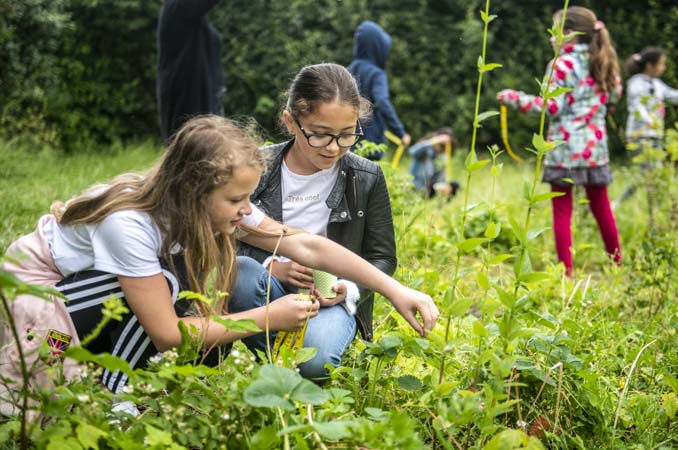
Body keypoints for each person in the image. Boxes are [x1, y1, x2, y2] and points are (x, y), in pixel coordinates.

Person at [1, 116, 438, 400]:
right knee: (47, 381)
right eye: (237, 199)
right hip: (39, 302)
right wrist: (266, 316)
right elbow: (169, 335)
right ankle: (102, 389)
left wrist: (396, 289)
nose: (248, 210)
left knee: (171, 285)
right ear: (194, 191)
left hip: (90, 296)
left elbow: (307, 245)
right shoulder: (129, 225)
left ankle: (113, 386)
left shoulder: (203, 207)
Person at [236, 63, 397, 379]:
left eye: (347, 135)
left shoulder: (366, 177)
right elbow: (224, 235)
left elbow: (382, 256)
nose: (334, 147)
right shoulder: (255, 167)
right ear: (290, 122)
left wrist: (347, 288)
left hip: (328, 302)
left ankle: (298, 356)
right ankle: (281, 357)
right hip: (265, 288)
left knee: (313, 361)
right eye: (321, 135)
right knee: (241, 273)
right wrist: (272, 266)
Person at [497, 6, 622, 277]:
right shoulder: (604, 59)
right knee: (601, 207)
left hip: (564, 149)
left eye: (555, 31)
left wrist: (514, 98)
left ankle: (567, 272)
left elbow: (551, 107)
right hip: (596, 149)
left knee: (562, 209)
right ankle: (617, 265)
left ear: (569, 34)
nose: (551, 37)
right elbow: (614, 96)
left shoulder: (560, 64)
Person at [615, 47, 678, 205]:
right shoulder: (635, 83)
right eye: (661, 64)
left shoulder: (657, 84)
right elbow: (636, 104)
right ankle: (621, 203)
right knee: (645, 174)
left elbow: (674, 96)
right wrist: (647, 119)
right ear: (650, 65)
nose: (664, 67)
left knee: (655, 173)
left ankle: (655, 207)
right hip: (639, 135)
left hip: (655, 135)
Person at [157, 0, 225, 141]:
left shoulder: (194, 18)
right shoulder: (176, 8)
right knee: (193, 156)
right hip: (187, 104)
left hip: (204, 102)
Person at [348, 21, 411, 161]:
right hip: (370, 142)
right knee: (367, 180)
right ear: (378, 47)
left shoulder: (347, 70)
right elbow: (382, 101)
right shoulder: (376, 74)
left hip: (346, 139)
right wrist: (400, 133)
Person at [407, 127, 460, 199]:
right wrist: (435, 140)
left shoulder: (442, 157)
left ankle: (439, 208)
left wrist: (444, 186)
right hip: (415, 185)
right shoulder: (425, 149)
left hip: (428, 188)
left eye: (444, 147)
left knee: (454, 186)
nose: (441, 149)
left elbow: (441, 177)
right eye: (441, 145)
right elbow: (412, 151)